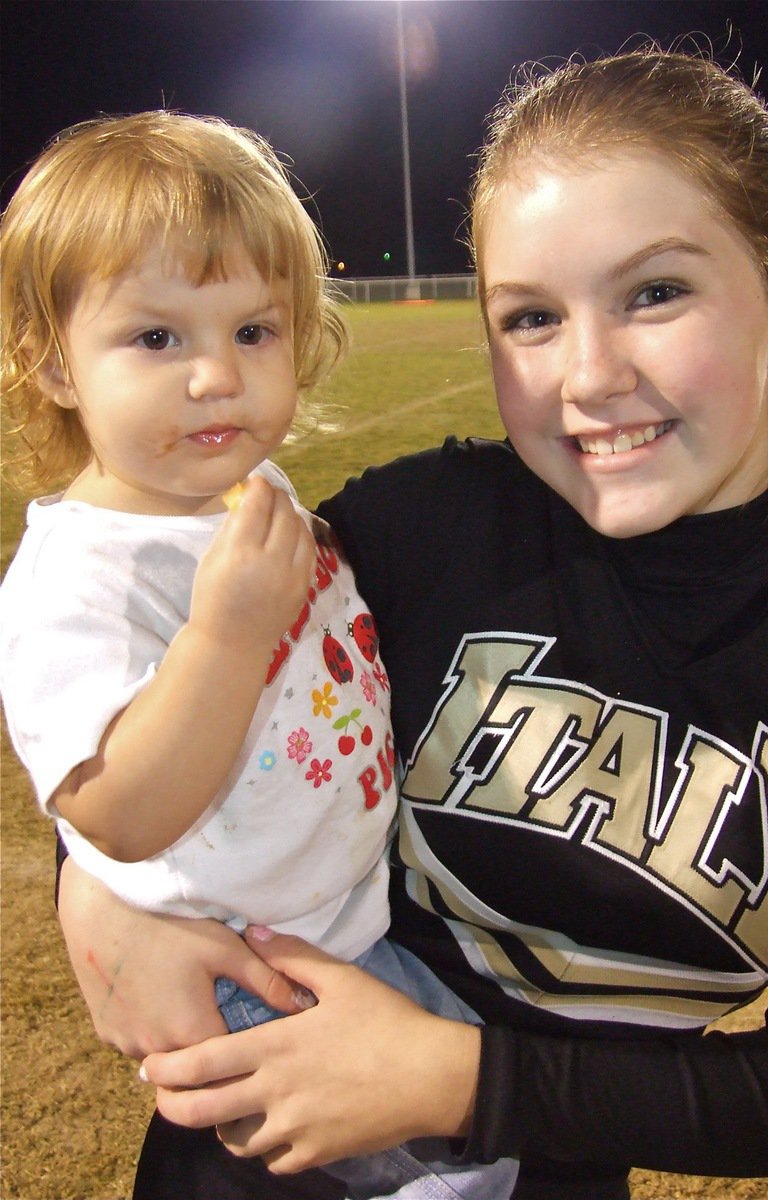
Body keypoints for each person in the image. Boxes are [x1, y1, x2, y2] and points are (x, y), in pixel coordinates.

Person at [55, 48, 768, 1200]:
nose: (589, 376)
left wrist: (462, 1079)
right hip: (244, 1161)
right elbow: (150, 710)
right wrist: (94, 895)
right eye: (532, 318)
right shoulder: (420, 529)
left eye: (655, 292)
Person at [0, 111, 517, 1200]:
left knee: (501, 1129)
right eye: (156, 338)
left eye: (253, 331)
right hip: (245, 970)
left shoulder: (250, 492)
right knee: (463, 1182)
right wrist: (231, 633)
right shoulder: (81, 574)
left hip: (349, 924)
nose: (215, 378)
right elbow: (116, 811)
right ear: (50, 362)